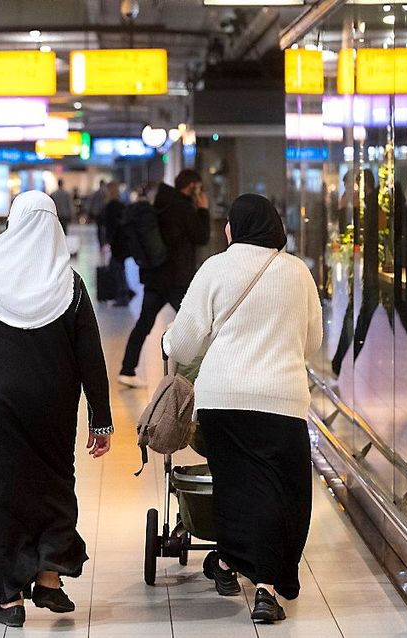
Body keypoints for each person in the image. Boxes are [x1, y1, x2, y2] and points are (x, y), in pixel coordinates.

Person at [0, 191, 113, 628]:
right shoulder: (69, 284)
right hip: (51, 405)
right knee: (53, 485)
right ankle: (50, 579)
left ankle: (10, 599)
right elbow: (91, 356)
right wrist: (102, 419)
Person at [163, 193, 322, 624]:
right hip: (283, 402)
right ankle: (267, 588)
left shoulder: (216, 268)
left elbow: (183, 342)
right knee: (279, 492)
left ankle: (231, 562)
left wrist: (165, 344)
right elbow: (313, 343)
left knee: (233, 487)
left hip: (223, 401)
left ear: (234, 227)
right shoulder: (297, 272)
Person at [331, 177, 407, 388]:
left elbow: (369, 241)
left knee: (366, 320)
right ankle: (338, 365)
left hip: (384, 277)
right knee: (396, 321)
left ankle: (338, 366)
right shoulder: (378, 205)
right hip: (388, 276)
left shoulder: (375, 206)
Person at [118, 169, 210, 387]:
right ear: (192, 187)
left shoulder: (161, 202)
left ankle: (127, 369)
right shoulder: (183, 207)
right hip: (176, 279)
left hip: (156, 276)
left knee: (144, 323)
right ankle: (207, 372)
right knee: (200, 324)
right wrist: (203, 210)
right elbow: (202, 236)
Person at [102, 181, 134, 306]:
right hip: (123, 242)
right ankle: (126, 290)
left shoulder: (111, 206)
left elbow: (111, 226)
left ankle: (123, 295)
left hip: (117, 243)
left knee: (116, 268)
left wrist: (108, 241)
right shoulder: (121, 205)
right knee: (118, 267)